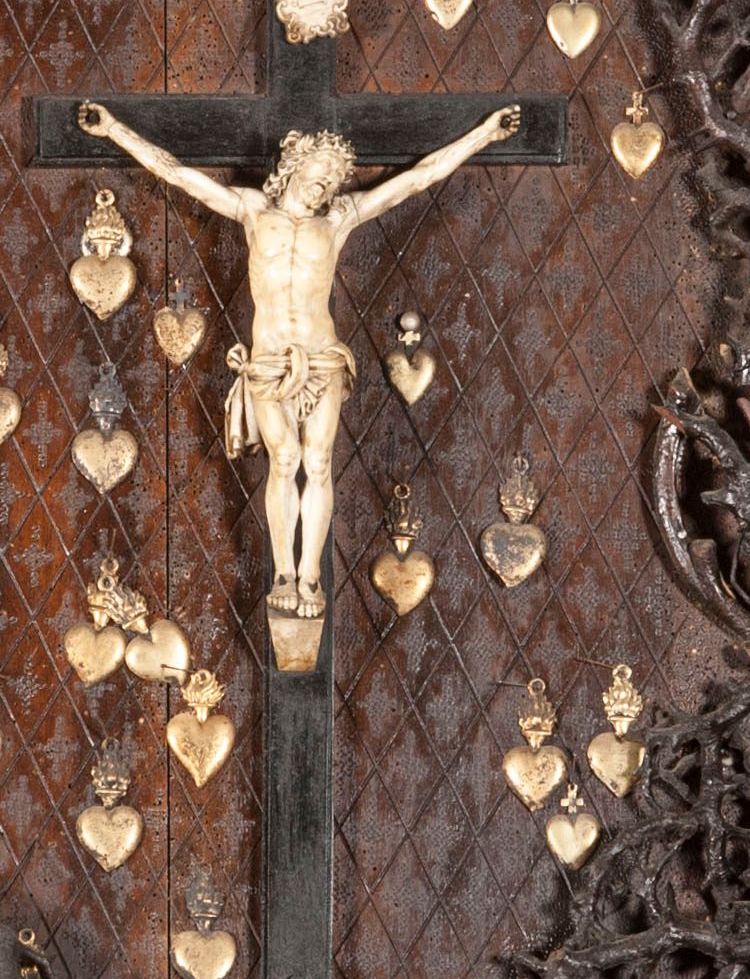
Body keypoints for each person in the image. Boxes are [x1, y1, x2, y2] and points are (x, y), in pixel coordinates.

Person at [76, 102, 520, 619]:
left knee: (319, 461)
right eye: (320, 172)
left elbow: (419, 179)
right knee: (283, 460)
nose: (325, 185)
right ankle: (284, 575)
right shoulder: (252, 211)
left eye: (333, 179)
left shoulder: (339, 218)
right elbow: (175, 172)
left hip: (322, 358)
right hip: (269, 362)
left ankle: (311, 576)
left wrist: (484, 136)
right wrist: (114, 130)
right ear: (296, 165)